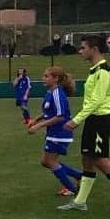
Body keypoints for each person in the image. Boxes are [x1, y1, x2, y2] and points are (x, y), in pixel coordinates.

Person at [58, 35, 110, 216]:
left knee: (100, 159)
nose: (81, 51)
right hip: (93, 120)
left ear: (94, 49)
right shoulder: (95, 70)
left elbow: (96, 101)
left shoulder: (103, 71)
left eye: (83, 47)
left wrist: (76, 120)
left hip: (101, 120)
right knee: (87, 159)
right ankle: (80, 202)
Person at [27, 67, 82, 197]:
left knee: (49, 162)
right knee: (46, 161)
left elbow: (60, 116)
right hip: (54, 133)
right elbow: (48, 111)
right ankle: (78, 176)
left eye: (46, 76)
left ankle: (73, 189)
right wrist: (36, 119)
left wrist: (38, 126)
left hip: (60, 133)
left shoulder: (57, 93)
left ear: (56, 78)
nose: (43, 79)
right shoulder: (50, 92)